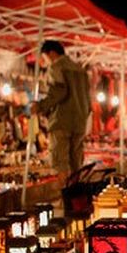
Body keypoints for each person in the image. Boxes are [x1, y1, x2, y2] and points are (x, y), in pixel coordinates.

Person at [31, 40, 91, 181]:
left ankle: (66, 199)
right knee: (76, 162)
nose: (45, 61)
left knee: (60, 163)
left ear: (51, 53)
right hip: (79, 122)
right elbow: (88, 99)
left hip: (62, 121)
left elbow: (59, 90)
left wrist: (40, 106)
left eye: (44, 57)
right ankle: (77, 196)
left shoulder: (57, 66)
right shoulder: (81, 71)